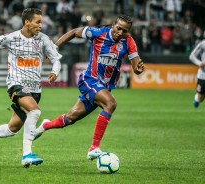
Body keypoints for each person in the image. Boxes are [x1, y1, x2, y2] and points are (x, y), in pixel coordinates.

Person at [34, 15, 145, 160]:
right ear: (113, 25)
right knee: (110, 104)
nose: (121, 33)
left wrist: (138, 69)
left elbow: (135, 66)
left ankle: (45, 126)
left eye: (125, 30)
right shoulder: (98, 33)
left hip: (103, 87)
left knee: (70, 118)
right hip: (89, 80)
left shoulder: (128, 41)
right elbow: (74, 32)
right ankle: (94, 148)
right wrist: (54, 47)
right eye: (119, 28)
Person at [0, 8, 62, 167]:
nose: (41, 25)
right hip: (16, 84)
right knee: (35, 111)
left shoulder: (43, 39)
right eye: (38, 22)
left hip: (35, 90)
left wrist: (54, 71)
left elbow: (56, 59)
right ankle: (26, 155)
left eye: (41, 22)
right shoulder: (9, 38)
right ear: (27, 22)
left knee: (12, 129)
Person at [189, 39, 205, 108]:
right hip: (203, 75)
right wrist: (199, 63)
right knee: (201, 98)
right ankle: (197, 98)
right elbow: (192, 56)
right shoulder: (203, 44)